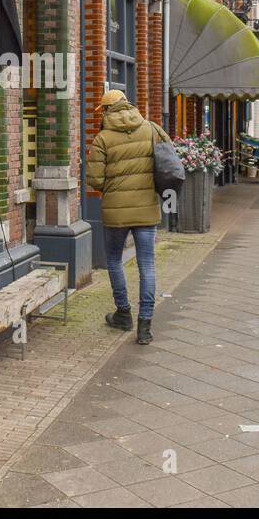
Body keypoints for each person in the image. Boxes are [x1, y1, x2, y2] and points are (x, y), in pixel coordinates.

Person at [86, 89, 166, 345]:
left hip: (116, 211)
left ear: (107, 111)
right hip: (146, 209)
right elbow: (169, 163)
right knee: (147, 265)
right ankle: (145, 326)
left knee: (113, 260)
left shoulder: (102, 138)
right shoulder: (152, 129)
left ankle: (123, 314)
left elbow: (95, 180)